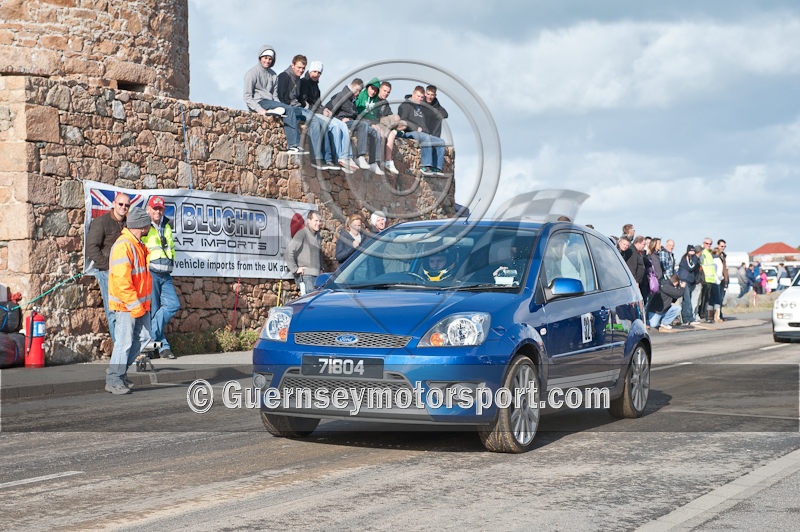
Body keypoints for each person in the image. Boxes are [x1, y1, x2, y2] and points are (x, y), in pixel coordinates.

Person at [105, 208, 153, 395]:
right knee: (124, 343)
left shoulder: (137, 244)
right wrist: (135, 306)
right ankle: (114, 379)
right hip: (127, 305)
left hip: (137, 304)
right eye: (147, 224)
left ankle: (120, 373)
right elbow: (122, 282)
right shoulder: (123, 246)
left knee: (144, 337)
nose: (149, 227)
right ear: (142, 225)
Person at [243, 44, 306, 153]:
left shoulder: (273, 75)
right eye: (265, 58)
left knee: (291, 111)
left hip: (271, 102)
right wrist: (259, 110)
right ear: (260, 58)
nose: (267, 61)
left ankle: (275, 111)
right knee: (289, 110)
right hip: (260, 102)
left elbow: (275, 95)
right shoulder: (251, 73)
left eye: (270, 59)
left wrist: (281, 106)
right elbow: (247, 96)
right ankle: (293, 145)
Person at [86, 192, 130, 343]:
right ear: (113, 203)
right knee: (113, 312)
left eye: (126, 205)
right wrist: (108, 267)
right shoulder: (101, 222)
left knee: (126, 312)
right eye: (121, 204)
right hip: (107, 273)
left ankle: (126, 348)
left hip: (125, 275)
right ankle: (119, 349)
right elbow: (91, 248)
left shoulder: (128, 224)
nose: (123, 207)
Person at [298, 61, 357, 173]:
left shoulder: (316, 86)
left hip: (318, 111)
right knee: (334, 126)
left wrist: (324, 109)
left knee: (342, 125)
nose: (316, 74)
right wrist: (321, 110)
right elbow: (304, 102)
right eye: (314, 71)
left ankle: (347, 156)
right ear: (310, 71)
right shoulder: (304, 83)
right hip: (310, 112)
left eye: (319, 72)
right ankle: (336, 158)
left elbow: (318, 102)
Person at [142, 196, 179, 359]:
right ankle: (163, 348)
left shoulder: (167, 224)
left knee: (173, 305)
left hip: (166, 273)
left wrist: (172, 260)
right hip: (151, 273)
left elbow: (171, 246)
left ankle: (149, 342)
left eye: (160, 209)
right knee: (153, 311)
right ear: (148, 209)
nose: (158, 211)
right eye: (155, 208)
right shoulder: (143, 225)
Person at [277, 54, 328, 168]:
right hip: (289, 108)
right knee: (313, 119)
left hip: (298, 107)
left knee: (318, 120)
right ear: (293, 65)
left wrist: (304, 104)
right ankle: (316, 157)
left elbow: (300, 98)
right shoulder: (284, 76)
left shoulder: (298, 79)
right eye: (299, 67)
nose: (301, 70)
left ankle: (320, 157)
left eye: (303, 68)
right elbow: (281, 96)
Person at [324, 78, 383, 174]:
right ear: (352, 86)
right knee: (362, 125)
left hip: (353, 121)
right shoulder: (342, 95)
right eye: (357, 90)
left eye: (360, 91)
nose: (358, 93)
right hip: (343, 122)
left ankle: (373, 162)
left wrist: (371, 124)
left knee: (373, 131)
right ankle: (360, 156)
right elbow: (329, 110)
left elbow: (356, 115)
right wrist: (340, 120)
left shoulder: (352, 98)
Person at [398, 86, 447, 176]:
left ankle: (436, 168)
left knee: (440, 141)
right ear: (413, 94)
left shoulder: (420, 107)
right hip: (408, 133)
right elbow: (403, 121)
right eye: (418, 96)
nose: (419, 99)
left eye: (421, 97)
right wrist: (415, 128)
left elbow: (443, 114)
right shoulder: (405, 105)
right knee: (425, 137)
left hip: (421, 133)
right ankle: (425, 166)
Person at [285, 210, 323, 296]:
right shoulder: (302, 234)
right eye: (316, 220)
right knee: (310, 305)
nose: (318, 223)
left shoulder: (318, 236)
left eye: (320, 221)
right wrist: (295, 269)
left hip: (318, 277)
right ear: (309, 221)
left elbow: (319, 254)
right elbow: (288, 252)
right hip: (306, 277)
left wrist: (321, 268)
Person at [677, 245, 701, 325]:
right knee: (687, 301)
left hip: (691, 281)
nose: (692, 253)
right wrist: (695, 258)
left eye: (693, 251)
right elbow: (690, 267)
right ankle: (689, 318)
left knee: (687, 300)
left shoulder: (693, 259)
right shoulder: (686, 258)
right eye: (691, 251)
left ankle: (686, 318)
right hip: (684, 281)